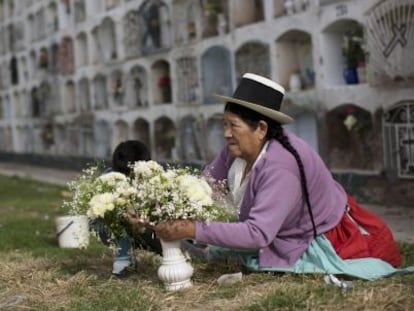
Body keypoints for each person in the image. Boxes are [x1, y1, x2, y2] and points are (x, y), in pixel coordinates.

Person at [138, 73, 413, 281]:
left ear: (260, 128)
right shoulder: (237, 149)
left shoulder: (281, 167)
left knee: (251, 255)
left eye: (232, 126)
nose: (226, 134)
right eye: (224, 124)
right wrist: (165, 205)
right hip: (276, 230)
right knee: (216, 244)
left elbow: (258, 233)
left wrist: (192, 229)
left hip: (321, 237)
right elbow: (204, 185)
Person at [96, 140, 162, 277]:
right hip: (117, 230)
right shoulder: (107, 181)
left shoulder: (154, 179)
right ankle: (123, 258)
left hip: (149, 230)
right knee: (113, 222)